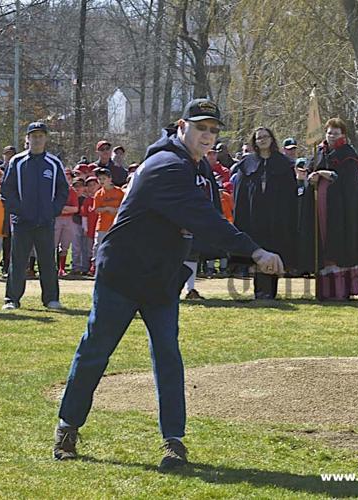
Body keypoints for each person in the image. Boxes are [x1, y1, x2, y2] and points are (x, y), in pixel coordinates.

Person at [53, 98, 284, 471]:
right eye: (200, 128)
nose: (207, 136)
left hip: (160, 278)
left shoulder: (199, 168)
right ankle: (67, 428)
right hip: (124, 275)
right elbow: (205, 218)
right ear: (181, 126)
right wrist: (254, 252)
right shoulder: (166, 165)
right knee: (95, 351)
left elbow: (201, 222)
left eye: (213, 130)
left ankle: (173, 442)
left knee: (168, 358)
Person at [0, 121, 69, 310]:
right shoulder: (17, 162)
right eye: (33, 136)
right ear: (27, 139)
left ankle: (51, 299)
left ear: (46, 138)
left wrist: (53, 210)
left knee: (47, 262)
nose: (37, 139)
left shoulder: (54, 163)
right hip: (22, 222)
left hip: (45, 222)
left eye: (40, 135)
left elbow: (63, 191)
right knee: (18, 262)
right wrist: (19, 211)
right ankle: (11, 299)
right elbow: (7, 191)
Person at [299, 118, 358, 301]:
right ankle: (325, 290)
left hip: (340, 209)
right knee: (322, 241)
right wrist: (312, 178)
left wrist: (330, 176)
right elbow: (309, 172)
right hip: (320, 205)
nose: (331, 136)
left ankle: (341, 290)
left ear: (343, 135)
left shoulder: (348, 154)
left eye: (335, 133)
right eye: (329, 132)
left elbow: (350, 184)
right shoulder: (319, 152)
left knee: (338, 242)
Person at [230, 126, 299, 299]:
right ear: (254, 141)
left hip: (277, 216)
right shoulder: (247, 164)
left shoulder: (283, 164)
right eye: (259, 137)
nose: (262, 140)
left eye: (265, 136)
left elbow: (291, 193)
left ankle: (271, 291)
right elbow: (240, 193)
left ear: (271, 139)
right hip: (254, 215)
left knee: (274, 248)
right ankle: (260, 290)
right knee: (258, 250)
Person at [92, 168, 124, 264]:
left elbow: (125, 206)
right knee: (99, 246)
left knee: (116, 247)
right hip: (102, 225)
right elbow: (96, 210)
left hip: (116, 225)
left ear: (110, 179)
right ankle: (96, 265)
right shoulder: (98, 194)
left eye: (104, 178)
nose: (101, 181)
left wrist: (116, 210)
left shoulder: (119, 192)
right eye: (99, 179)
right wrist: (107, 208)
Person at [54, 172, 79, 278]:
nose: (67, 181)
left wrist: (62, 209)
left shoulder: (72, 192)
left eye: (69, 179)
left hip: (68, 220)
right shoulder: (55, 190)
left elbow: (75, 208)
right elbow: (53, 207)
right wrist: (64, 209)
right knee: (52, 244)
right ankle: (51, 268)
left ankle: (62, 268)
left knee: (65, 245)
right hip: (56, 219)